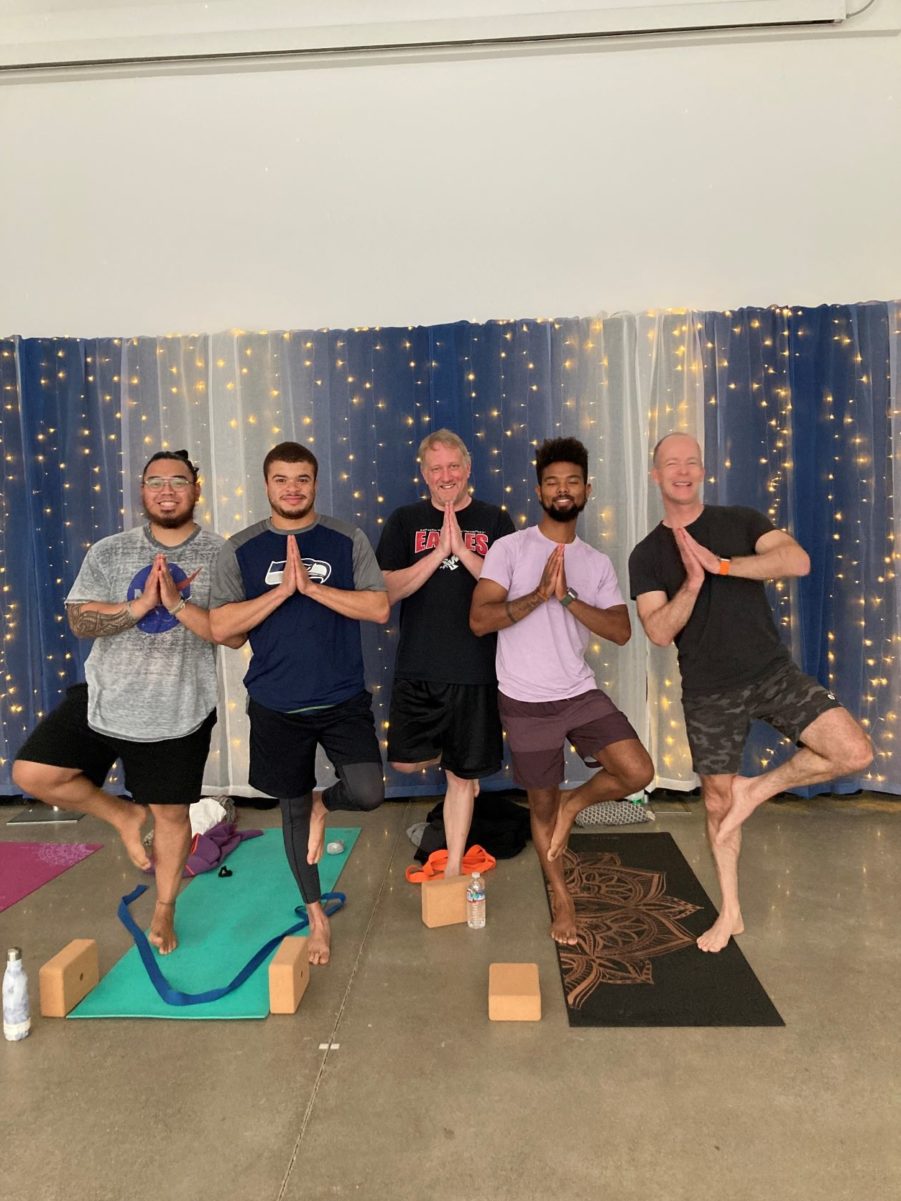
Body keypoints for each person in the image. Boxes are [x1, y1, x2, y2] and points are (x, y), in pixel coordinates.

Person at [629, 431, 873, 952]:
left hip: (771, 673)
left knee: (853, 750)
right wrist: (693, 584)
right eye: (672, 463)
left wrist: (720, 566)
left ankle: (756, 790)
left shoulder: (739, 521)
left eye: (692, 461)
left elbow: (797, 561)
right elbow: (657, 630)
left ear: (703, 470)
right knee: (717, 802)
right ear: (655, 475)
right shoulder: (647, 554)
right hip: (709, 693)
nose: (683, 470)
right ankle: (730, 913)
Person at [13, 450, 232, 955]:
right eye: (155, 481)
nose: (167, 490)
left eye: (178, 481)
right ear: (142, 490)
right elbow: (80, 618)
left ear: (196, 489)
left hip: (177, 711)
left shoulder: (221, 554)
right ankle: (124, 818)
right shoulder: (111, 551)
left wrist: (177, 603)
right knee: (33, 773)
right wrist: (139, 605)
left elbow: (229, 632)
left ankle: (164, 909)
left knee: (172, 817)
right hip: (106, 698)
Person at [208, 441, 389, 966]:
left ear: (315, 483)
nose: (293, 488)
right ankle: (315, 915)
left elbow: (377, 607)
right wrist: (281, 593)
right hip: (276, 705)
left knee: (369, 792)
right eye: (282, 479)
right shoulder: (239, 548)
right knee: (288, 809)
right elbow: (222, 629)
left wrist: (311, 589)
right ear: (266, 485)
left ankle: (322, 803)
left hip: (341, 698)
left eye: (303, 479)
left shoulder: (345, 538)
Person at [470, 436, 654, 945]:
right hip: (525, 701)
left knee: (638, 770)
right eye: (553, 482)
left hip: (578, 692)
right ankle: (561, 895)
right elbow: (479, 619)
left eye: (572, 481)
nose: (563, 489)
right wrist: (535, 597)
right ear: (539, 491)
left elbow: (620, 630)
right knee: (541, 807)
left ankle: (577, 804)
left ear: (587, 490)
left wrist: (567, 597)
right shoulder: (510, 549)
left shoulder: (594, 562)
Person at [376, 430, 515, 876]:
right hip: (418, 666)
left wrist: (465, 554)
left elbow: (510, 591)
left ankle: (454, 866)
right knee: (403, 758)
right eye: (436, 468)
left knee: (461, 777)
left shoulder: (495, 520)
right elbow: (386, 592)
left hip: (476, 670)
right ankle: (459, 767)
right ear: (423, 473)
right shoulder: (404, 520)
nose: (446, 476)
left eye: (453, 466)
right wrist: (438, 553)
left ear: (467, 469)